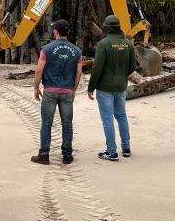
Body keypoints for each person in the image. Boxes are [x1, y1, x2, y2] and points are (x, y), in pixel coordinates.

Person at [32, 19, 83, 165]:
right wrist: (73, 89)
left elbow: (39, 69)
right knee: (67, 123)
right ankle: (67, 155)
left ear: (55, 31)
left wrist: (36, 87)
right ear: (68, 32)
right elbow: (79, 72)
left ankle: (44, 154)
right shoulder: (76, 51)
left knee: (46, 123)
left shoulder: (46, 49)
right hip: (67, 92)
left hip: (49, 91)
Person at [88, 15, 137, 161]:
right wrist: (122, 76)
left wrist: (91, 87)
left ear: (106, 27)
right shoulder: (128, 44)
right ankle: (126, 147)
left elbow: (97, 68)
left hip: (105, 87)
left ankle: (111, 151)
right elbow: (133, 66)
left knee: (108, 118)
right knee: (121, 116)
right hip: (121, 86)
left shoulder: (103, 44)